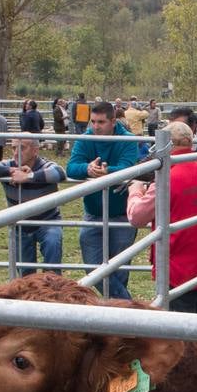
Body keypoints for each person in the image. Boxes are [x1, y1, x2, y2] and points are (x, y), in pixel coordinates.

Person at [126, 122, 197, 313]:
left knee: (180, 332)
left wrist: (135, 191)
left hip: (177, 270)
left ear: (164, 145)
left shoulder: (167, 179)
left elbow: (136, 217)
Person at [67, 102, 140, 299]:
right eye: (93, 121)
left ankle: (116, 316)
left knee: (119, 268)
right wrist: (87, 169)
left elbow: (129, 168)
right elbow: (71, 168)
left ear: (113, 122)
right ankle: (127, 307)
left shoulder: (127, 140)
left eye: (101, 122)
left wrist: (108, 172)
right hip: (93, 213)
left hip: (122, 214)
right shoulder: (85, 138)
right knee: (93, 267)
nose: (95, 126)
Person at [0, 137, 65, 276]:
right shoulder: (9, 165)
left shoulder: (44, 165)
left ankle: (51, 289)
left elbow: (59, 172)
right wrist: (10, 172)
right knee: (25, 273)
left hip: (48, 221)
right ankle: (28, 295)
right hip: (20, 225)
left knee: (52, 247)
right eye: (13, 147)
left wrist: (29, 176)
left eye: (22, 148)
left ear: (35, 150)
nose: (16, 152)